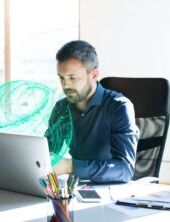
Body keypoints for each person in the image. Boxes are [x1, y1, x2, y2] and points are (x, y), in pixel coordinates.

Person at [45, 40, 139, 183]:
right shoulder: (61, 108)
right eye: (61, 78)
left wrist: (70, 166)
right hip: (74, 188)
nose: (66, 85)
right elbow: (47, 154)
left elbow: (125, 170)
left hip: (112, 190)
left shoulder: (119, 107)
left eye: (72, 78)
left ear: (94, 75)